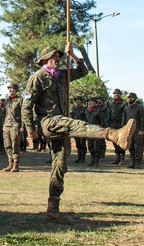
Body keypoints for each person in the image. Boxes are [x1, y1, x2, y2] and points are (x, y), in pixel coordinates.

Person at [21, 44, 136, 223]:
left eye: (59, 57)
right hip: (49, 122)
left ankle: (53, 210)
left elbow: (83, 72)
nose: (57, 60)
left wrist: (73, 55)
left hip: (63, 122)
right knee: (77, 125)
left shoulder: (63, 76)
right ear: (44, 60)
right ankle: (112, 135)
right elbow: (26, 105)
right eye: (53, 57)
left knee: (59, 166)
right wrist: (30, 130)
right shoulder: (37, 78)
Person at [2, 83, 24, 172]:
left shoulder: (20, 100)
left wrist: (22, 126)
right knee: (7, 145)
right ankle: (10, 163)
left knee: (15, 145)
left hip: (15, 125)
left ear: (16, 90)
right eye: (9, 89)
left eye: (12, 89)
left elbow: (24, 113)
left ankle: (16, 164)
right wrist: (3, 125)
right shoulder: (6, 101)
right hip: (6, 125)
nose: (10, 90)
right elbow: (4, 114)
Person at [124, 92, 144, 168]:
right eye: (129, 97)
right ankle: (132, 162)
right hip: (129, 131)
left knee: (138, 147)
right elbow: (124, 119)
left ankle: (138, 163)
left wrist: (142, 129)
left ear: (135, 98)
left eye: (132, 97)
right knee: (131, 146)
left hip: (138, 130)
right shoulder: (126, 108)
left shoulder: (140, 107)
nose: (130, 98)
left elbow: (143, 119)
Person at [107, 89, 128, 165]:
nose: (116, 95)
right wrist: (108, 125)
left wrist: (125, 125)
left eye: (117, 94)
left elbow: (125, 114)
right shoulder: (111, 104)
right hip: (113, 125)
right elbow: (109, 114)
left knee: (121, 141)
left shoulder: (124, 103)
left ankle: (122, 158)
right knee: (115, 142)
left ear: (120, 94)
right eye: (115, 94)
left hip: (121, 125)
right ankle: (117, 157)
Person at [86, 97, 107, 166]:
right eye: (89, 102)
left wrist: (102, 130)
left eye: (91, 102)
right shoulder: (87, 111)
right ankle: (92, 160)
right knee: (90, 146)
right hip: (89, 131)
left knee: (96, 146)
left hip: (96, 131)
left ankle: (96, 161)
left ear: (95, 103)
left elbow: (102, 121)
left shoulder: (98, 111)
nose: (89, 103)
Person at [70, 97, 88, 163]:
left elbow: (86, 118)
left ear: (81, 102)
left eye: (78, 101)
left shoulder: (85, 109)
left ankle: (83, 158)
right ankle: (79, 157)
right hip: (75, 128)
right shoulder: (74, 109)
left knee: (82, 143)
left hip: (82, 128)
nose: (77, 102)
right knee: (78, 144)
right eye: (76, 101)